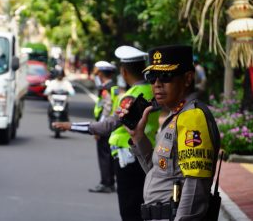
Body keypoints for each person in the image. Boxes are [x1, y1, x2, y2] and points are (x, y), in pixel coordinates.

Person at [53, 46, 159, 221]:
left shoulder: (132, 96)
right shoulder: (151, 91)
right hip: (144, 155)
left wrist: (71, 126)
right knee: (140, 206)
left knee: (129, 210)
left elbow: (107, 126)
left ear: (124, 72)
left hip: (129, 158)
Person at [123, 45, 220, 220]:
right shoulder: (175, 115)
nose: (157, 84)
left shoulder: (193, 117)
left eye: (165, 76)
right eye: (152, 77)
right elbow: (158, 172)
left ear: (188, 78)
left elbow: (195, 186)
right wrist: (138, 137)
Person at [89, 61, 118, 193]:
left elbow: (106, 109)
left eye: (97, 71)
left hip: (105, 125)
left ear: (101, 73)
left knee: (104, 155)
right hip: (112, 125)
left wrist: (99, 127)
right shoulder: (114, 87)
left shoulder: (106, 89)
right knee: (109, 155)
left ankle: (106, 183)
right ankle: (110, 182)